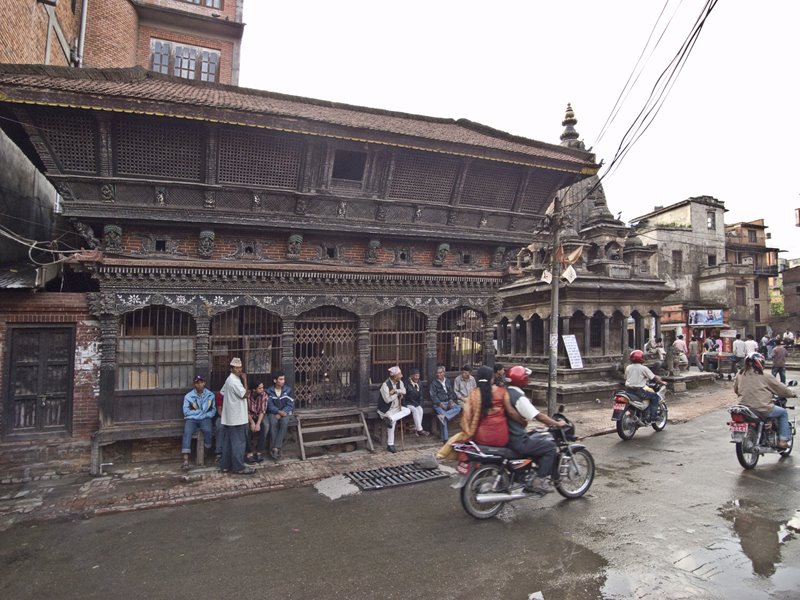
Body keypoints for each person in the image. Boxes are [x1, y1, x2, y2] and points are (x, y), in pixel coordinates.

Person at [504, 365, 567, 494]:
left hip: (507, 437)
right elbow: (537, 416)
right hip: (517, 440)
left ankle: (527, 474)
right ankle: (538, 481)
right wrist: (556, 423)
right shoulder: (519, 397)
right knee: (549, 447)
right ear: (522, 379)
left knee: (536, 439)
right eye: (526, 377)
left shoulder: (505, 392)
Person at [734, 352, 796, 449]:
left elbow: (736, 390)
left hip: (744, 407)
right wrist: (792, 394)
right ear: (760, 363)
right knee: (783, 413)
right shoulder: (765, 376)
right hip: (761, 408)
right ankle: (783, 441)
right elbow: (781, 389)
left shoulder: (740, 374)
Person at [460, 365, 517, 447]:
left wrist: (468, 433)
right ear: (491, 379)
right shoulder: (502, 392)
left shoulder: (474, 394)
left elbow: (466, 417)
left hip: (482, 437)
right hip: (501, 436)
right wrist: (523, 422)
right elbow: (511, 412)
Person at [219, 357, 255, 475]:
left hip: (230, 416)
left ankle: (225, 465)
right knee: (238, 443)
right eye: (236, 368)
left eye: (240, 367)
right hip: (237, 417)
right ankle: (239, 467)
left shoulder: (229, 380)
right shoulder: (234, 381)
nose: (239, 370)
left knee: (229, 442)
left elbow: (222, 392)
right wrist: (245, 380)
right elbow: (245, 395)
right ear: (232, 369)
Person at [181, 375, 216, 471]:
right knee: (187, 432)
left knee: (208, 430)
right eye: (197, 383)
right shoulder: (188, 396)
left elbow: (213, 411)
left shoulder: (210, 395)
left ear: (204, 383)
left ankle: (206, 451)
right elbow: (186, 412)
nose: (199, 384)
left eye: (201, 382)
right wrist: (199, 413)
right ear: (194, 384)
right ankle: (185, 459)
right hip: (191, 419)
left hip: (205, 418)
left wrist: (205, 415)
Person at [625, 350, 666, 422]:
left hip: (628, 390)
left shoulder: (628, 367)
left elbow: (627, 377)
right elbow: (654, 378)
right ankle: (653, 417)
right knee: (655, 397)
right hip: (638, 391)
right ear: (641, 358)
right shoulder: (643, 368)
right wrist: (662, 382)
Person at [378, 366, 412, 453]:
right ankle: (390, 444)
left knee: (407, 410)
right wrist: (396, 395)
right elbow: (387, 400)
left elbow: (404, 391)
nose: (401, 376)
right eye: (399, 374)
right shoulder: (385, 385)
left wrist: (396, 391)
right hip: (386, 409)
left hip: (396, 408)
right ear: (394, 376)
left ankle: (390, 419)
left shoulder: (399, 382)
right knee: (392, 426)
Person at [266, 370, 294, 461]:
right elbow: (269, 405)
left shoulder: (288, 390)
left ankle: (276, 447)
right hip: (273, 413)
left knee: (284, 422)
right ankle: (274, 447)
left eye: (283, 379)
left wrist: (282, 412)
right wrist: (278, 411)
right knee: (272, 422)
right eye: (280, 379)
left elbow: (290, 404)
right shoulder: (269, 391)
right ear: (275, 381)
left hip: (284, 413)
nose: (283, 381)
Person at [430, 365, 461, 442]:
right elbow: (433, 396)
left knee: (458, 407)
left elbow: (451, 392)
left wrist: (450, 400)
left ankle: (444, 416)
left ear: (444, 373)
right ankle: (445, 439)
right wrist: (440, 404)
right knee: (444, 420)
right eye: (437, 373)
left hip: (448, 402)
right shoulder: (433, 383)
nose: (438, 375)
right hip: (438, 404)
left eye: (440, 373)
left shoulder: (447, 381)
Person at [244, 382, 268, 464]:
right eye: (260, 388)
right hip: (248, 417)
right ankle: (249, 452)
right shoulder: (247, 396)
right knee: (246, 428)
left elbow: (262, 411)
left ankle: (259, 451)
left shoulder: (264, 395)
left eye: (262, 387)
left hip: (259, 416)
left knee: (265, 426)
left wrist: (257, 424)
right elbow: (246, 411)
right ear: (254, 389)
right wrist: (252, 423)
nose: (262, 390)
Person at [403, 368, 430, 437]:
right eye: (415, 376)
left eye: (418, 376)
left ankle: (417, 429)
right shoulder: (406, 383)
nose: (417, 378)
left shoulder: (419, 383)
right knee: (415, 410)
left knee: (420, 410)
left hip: (416, 402)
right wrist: (405, 404)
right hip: (408, 403)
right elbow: (403, 396)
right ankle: (420, 430)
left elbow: (421, 395)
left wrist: (420, 404)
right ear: (411, 376)